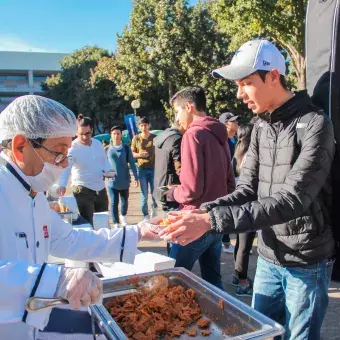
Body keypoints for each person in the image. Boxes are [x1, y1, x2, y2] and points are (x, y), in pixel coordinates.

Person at [159, 39, 335, 339]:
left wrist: (210, 222)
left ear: (274, 77)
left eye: (246, 83)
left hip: (306, 262)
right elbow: (246, 190)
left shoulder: (315, 123)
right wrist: (198, 212)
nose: (239, 94)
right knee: (259, 333)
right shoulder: (260, 127)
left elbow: (292, 200)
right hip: (267, 255)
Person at [0, 95, 160, 340]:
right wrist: (57, 278)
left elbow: (69, 239)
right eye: (58, 153)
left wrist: (137, 232)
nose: (64, 165)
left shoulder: (32, 193)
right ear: (21, 146)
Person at [165, 86, 235, 290]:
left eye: (177, 111)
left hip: (194, 220)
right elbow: (230, 183)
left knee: (170, 282)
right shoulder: (221, 135)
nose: (177, 119)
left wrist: (173, 192)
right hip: (216, 219)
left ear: (189, 107)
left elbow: (191, 190)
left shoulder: (193, 135)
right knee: (213, 282)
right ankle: (222, 319)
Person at [58, 115, 112, 225]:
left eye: (87, 134)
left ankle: (103, 241)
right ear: (76, 133)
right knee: (88, 221)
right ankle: (91, 241)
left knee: (102, 220)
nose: (84, 137)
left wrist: (110, 171)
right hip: (82, 188)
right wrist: (62, 184)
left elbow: (104, 161)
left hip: (100, 188)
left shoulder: (97, 144)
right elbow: (67, 168)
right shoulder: (72, 148)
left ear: (91, 130)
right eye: (80, 134)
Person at [231, 124, 256, 297]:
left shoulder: (236, 155)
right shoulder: (249, 156)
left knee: (241, 243)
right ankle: (242, 282)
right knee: (245, 245)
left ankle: (237, 275)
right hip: (248, 205)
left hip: (238, 203)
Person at [107, 125, 139, 228]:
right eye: (114, 134)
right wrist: (104, 176)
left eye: (118, 134)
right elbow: (102, 164)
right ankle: (116, 222)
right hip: (112, 180)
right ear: (111, 136)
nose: (116, 136)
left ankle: (123, 216)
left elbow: (132, 163)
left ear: (121, 135)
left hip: (124, 179)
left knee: (124, 200)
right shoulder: (107, 148)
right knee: (113, 202)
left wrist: (136, 177)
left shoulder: (126, 147)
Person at [219, 112, 240, 254]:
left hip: (236, 179)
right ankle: (225, 243)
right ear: (226, 124)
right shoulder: (222, 141)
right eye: (234, 121)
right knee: (225, 211)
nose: (237, 124)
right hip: (225, 183)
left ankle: (228, 242)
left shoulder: (234, 139)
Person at [131, 117, 158, 220]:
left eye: (145, 125)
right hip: (142, 169)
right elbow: (132, 154)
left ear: (149, 126)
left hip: (154, 169)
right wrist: (139, 154)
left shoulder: (154, 137)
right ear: (139, 127)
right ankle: (146, 215)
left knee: (155, 193)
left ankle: (154, 209)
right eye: (141, 125)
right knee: (144, 194)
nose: (143, 127)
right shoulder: (136, 138)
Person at [154, 121, 183, 212]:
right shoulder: (176, 139)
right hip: (172, 186)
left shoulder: (161, 137)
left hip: (161, 184)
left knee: (168, 216)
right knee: (174, 218)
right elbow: (179, 166)